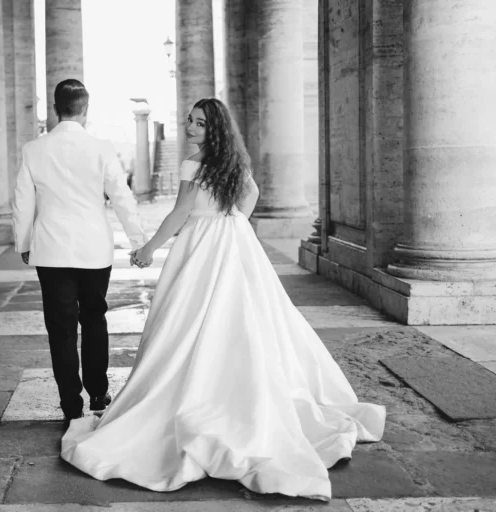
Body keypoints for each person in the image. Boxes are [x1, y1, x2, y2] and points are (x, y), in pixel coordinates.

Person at [60, 98, 386, 501]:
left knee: (192, 320)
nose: (191, 127)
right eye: (190, 121)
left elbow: (180, 213)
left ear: (213, 128)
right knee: (242, 317)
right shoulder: (233, 161)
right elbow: (251, 196)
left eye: (198, 123)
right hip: (234, 241)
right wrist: (229, 221)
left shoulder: (193, 162)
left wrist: (149, 250)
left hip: (201, 245)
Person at [12, 79, 148, 426]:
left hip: (51, 250)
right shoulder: (102, 149)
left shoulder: (33, 150)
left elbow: (22, 204)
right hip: (94, 250)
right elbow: (122, 198)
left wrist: (24, 243)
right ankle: (99, 393)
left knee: (61, 329)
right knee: (94, 318)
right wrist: (137, 241)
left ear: (55, 110)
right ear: (85, 109)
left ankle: (70, 402)